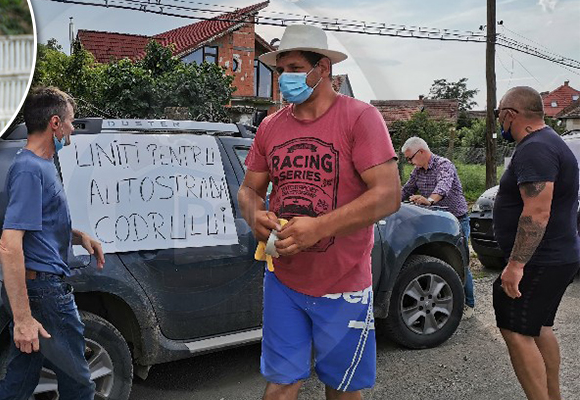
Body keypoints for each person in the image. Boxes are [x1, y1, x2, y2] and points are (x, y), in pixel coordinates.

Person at [239, 24, 401, 400]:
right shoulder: (269, 127)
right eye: (281, 71)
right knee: (280, 383)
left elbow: (389, 194)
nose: (285, 79)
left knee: (343, 387)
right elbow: (249, 189)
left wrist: (318, 228)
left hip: (343, 284)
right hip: (284, 280)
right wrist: (254, 215)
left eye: (294, 68)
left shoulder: (360, 118)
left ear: (323, 69)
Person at [0, 87, 105, 400]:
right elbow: (9, 246)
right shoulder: (29, 169)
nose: (73, 130)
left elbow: (37, 224)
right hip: (43, 294)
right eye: (71, 122)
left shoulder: (39, 166)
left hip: (40, 290)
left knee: (17, 384)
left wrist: (79, 236)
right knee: (80, 384)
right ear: (55, 123)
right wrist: (24, 320)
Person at [493, 86, 580, 400]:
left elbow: (538, 210)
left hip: (541, 260)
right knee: (539, 327)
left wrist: (515, 265)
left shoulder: (535, 147)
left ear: (510, 114)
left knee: (516, 330)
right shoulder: (551, 142)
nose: (498, 122)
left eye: (498, 114)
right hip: (556, 257)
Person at [400, 136, 476, 319]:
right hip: (436, 222)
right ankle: (448, 298)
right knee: (442, 264)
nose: (410, 163)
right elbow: (406, 190)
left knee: (461, 263)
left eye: (410, 158)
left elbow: (444, 186)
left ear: (422, 152)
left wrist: (430, 200)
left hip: (457, 221)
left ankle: (469, 304)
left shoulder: (444, 165)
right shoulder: (418, 172)